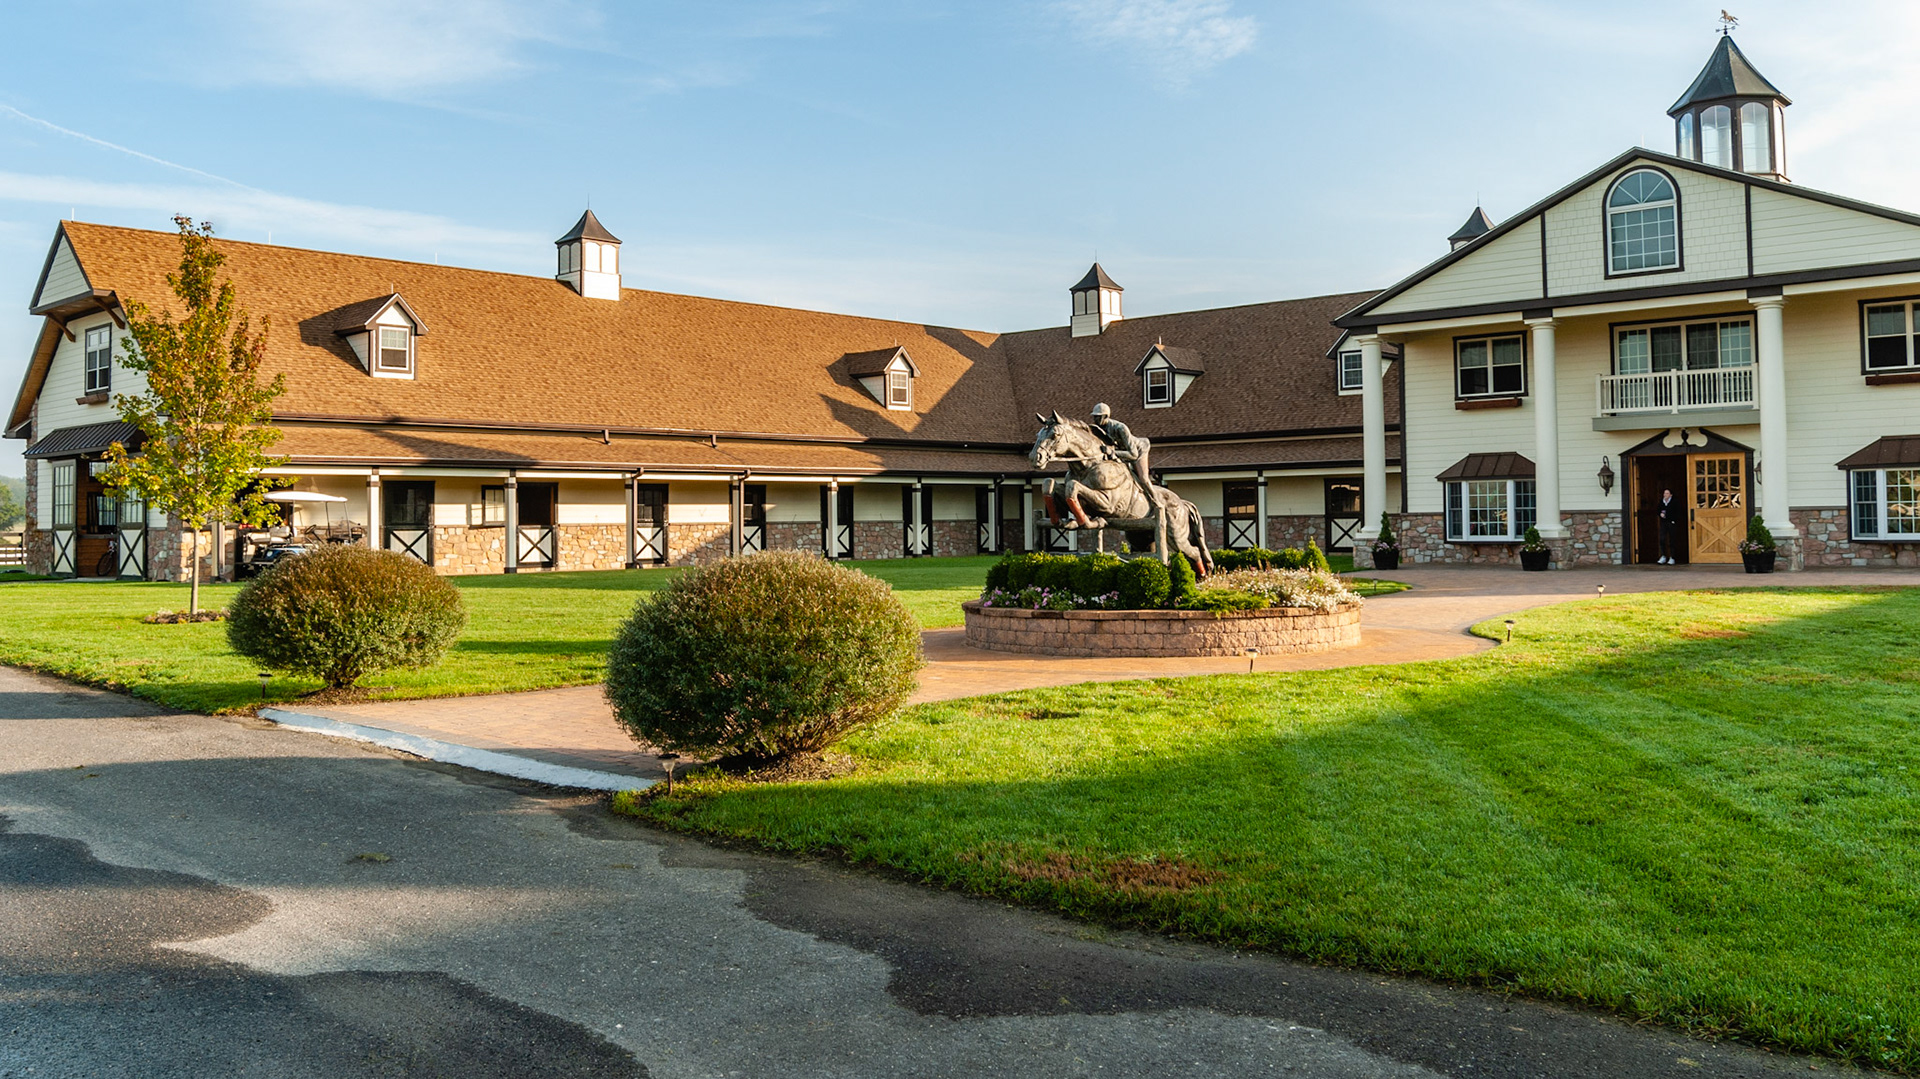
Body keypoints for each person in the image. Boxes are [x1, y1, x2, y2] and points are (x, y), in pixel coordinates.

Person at [1089, 403, 1154, 502]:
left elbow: (1133, 454)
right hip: (1121, 452)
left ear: (1106, 416)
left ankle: (1156, 502)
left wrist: (1112, 451)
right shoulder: (1098, 428)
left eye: (1098, 417)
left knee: (1143, 478)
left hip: (1138, 450)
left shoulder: (1120, 428)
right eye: (1094, 417)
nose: (1095, 420)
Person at [1656, 487, 1682, 564]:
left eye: (1667, 493)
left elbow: (1678, 512)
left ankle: (1672, 557)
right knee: (1662, 539)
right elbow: (1658, 510)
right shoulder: (1661, 502)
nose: (1665, 495)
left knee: (1672, 540)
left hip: (1672, 522)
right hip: (1663, 522)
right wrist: (1660, 514)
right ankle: (1663, 556)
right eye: (1664, 493)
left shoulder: (1675, 502)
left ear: (1671, 495)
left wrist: (1673, 519)